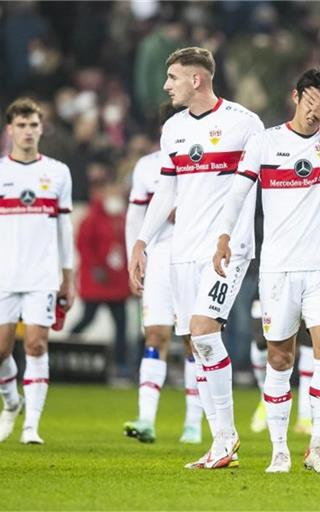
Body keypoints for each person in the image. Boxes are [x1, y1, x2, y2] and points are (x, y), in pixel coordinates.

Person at [213, 67, 320, 473]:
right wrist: (224, 236)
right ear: (296, 96)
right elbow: (238, 192)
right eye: (312, 98)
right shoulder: (266, 142)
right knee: (280, 357)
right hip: (278, 269)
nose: (317, 107)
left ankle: (317, 447)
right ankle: (279, 448)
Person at [129, 47, 264, 470]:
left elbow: (257, 188)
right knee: (195, 343)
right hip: (183, 250)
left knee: (204, 333)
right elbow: (165, 190)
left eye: (172, 77)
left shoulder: (245, 124)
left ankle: (226, 438)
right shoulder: (173, 129)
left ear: (196, 80)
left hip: (227, 249)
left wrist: (239, 237)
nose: (166, 85)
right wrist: (142, 241)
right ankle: (220, 442)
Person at [0, 98, 75, 445]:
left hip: (42, 276)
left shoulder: (58, 172)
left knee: (36, 344)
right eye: (21, 126)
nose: (27, 132)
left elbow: (65, 228)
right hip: (3, 277)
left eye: (33, 125)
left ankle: (32, 427)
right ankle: (12, 403)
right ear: (9, 130)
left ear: (41, 128)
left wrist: (68, 275)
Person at [122, 103, 205, 445]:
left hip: (194, 256)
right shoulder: (146, 167)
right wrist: (134, 256)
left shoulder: (203, 162)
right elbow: (134, 217)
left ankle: (193, 423)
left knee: (194, 340)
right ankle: (146, 419)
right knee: (155, 335)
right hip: (158, 259)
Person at [69, 178, 131, 379]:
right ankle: (67, 349)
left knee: (121, 326)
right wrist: (96, 267)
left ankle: (122, 366)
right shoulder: (91, 218)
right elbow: (83, 246)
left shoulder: (122, 218)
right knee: (88, 318)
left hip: (117, 282)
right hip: (97, 281)